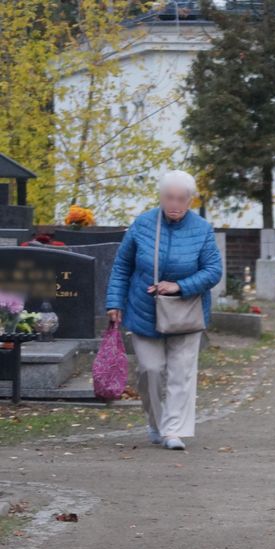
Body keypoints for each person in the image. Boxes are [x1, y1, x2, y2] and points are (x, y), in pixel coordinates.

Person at [106, 171, 222, 451]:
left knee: (181, 373)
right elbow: (123, 266)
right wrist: (114, 302)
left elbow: (213, 270)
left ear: (190, 200)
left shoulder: (202, 229)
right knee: (150, 370)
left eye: (181, 199)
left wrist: (179, 286)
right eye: (169, 197)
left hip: (186, 312)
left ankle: (173, 430)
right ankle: (156, 423)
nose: (175, 204)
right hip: (144, 309)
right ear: (160, 197)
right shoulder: (143, 224)